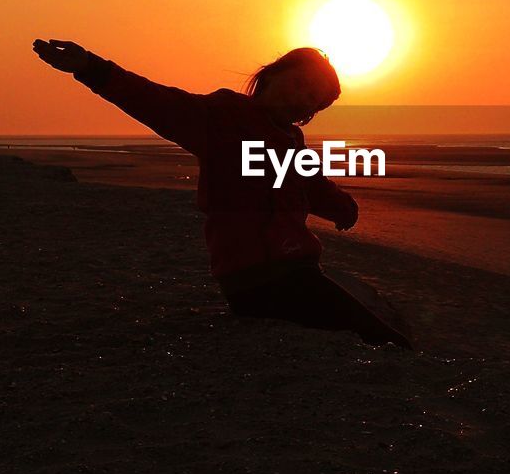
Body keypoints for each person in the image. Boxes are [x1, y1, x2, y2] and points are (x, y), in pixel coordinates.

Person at [31, 38, 413, 349]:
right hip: (257, 278)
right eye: (299, 84)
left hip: (297, 270)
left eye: (313, 99)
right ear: (273, 74)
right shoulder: (223, 117)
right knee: (384, 341)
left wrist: (344, 208)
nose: (301, 98)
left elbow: (311, 185)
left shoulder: (292, 141)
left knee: (375, 326)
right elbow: (154, 100)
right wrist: (90, 67)